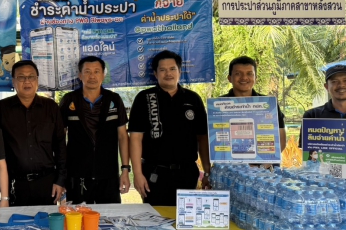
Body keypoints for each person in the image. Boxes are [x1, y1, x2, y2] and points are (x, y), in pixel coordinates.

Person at [129, 50, 211, 206]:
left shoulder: (193, 99)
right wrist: (137, 174)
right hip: (154, 174)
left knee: (186, 217)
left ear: (180, 71)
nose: (168, 73)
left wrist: (207, 171)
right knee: (154, 217)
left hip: (187, 174)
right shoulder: (144, 98)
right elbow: (135, 138)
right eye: (163, 70)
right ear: (155, 73)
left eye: (172, 69)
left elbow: (203, 137)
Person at [0, 60, 67, 205]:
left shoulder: (51, 107)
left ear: (37, 80)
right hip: (14, 183)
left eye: (31, 77)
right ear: (13, 81)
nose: (27, 81)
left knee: (47, 220)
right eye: (21, 77)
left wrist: (60, 180)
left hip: (47, 183)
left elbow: (60, 145)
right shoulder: (1, 109)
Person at [59, 56, 129, 204]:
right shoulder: (69, 100)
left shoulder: (114, 99)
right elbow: (60, 138)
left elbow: (123, 136)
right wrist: (61, 175)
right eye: (87, 72)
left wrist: (125, 170)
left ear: (103, 75)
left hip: (108, 173)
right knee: (77, 217)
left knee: (110, 216)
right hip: (77, 174)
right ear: (80, 75)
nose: (92, 76)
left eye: (97, 71)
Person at [223, 56, 287, 151]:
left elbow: (281, 142)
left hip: (263, 160)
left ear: (255, 78)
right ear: (229, 78)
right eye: (238, 74)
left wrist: (265, 160)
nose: (244, 78)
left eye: (249, 74)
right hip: (227, 160)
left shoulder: (269, 105)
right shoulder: (217, 106)